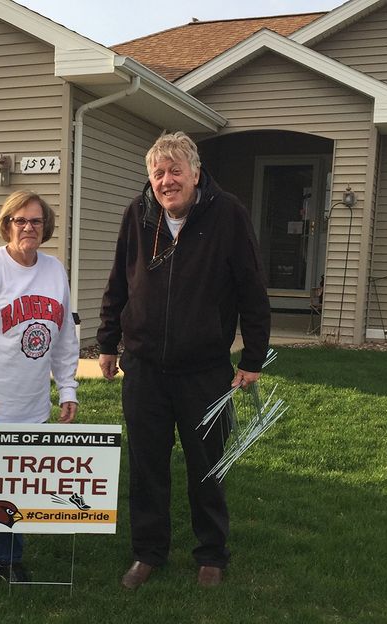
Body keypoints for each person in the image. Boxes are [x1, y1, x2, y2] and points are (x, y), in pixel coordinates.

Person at [96, 132, 270, 589]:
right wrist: (108, 343)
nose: (167, 180)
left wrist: (252, 358)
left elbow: (252, 290)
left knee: (206, 466)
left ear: (195, 172)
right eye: (158, 173)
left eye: (176, 171)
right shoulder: (137, 215)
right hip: (144, 369)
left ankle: (211, 553)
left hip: (204, 371)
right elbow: (119, 282)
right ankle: (148, 553)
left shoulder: (227, 213)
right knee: (147, 466)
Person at [0, 190, 79, 605]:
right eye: (20, 220)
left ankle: (9, 559)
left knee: (19, 488)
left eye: (36, 221)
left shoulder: (55, 270)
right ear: (6, 224)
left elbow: (64, 339)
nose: (28, 227)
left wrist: (68, 388)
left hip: (32, 406)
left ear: (47, 228)